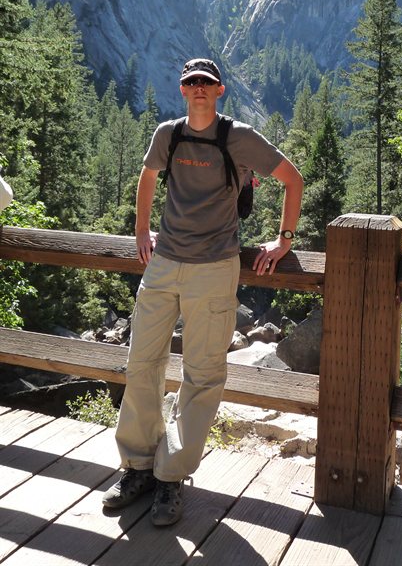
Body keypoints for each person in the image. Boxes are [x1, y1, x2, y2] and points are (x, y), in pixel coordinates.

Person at [102, 58, 303, 526]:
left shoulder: (240, 136)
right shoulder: (167, 134)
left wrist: (284, 240)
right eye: (191, 82)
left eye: (205, 84)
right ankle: (138, 467)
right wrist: (140, 230)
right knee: (140, 363)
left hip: (214, 269)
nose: (197, 89)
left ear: (219, 91)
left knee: (203, 374)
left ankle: (171, 477)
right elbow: (148, 176)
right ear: (182, 89)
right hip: (164, 263)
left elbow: (292, 178)